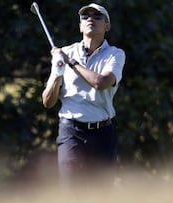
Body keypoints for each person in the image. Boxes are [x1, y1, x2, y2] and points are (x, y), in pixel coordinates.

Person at [42, 3, 126, 186]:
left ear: (107, 25)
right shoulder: (64, 54)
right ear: (80, 26)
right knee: (71, 190)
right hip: (71, 131)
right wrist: (57, 74)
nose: (90, 19)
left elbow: (100, 83)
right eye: (85, 17)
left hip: (103, 133)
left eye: (97, 16)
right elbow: (47, 102)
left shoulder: (115, 55)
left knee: (100, 194)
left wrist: (70, 62)